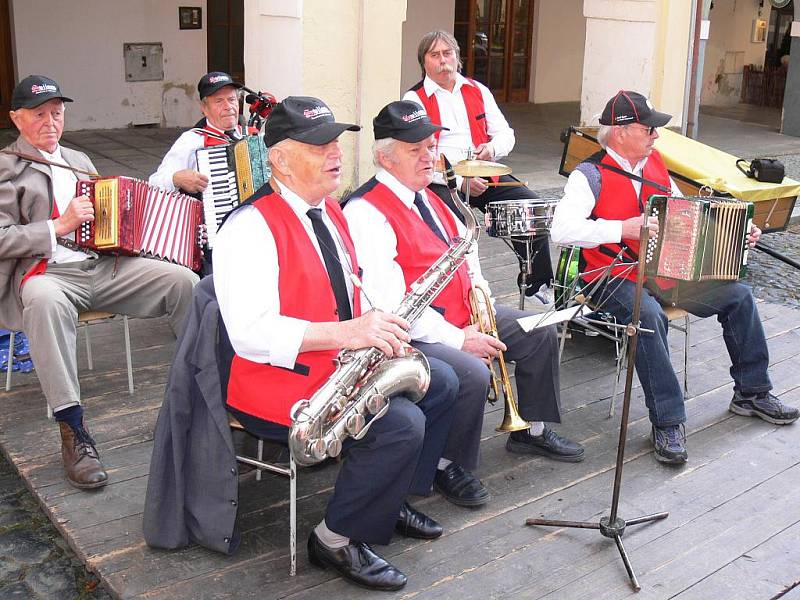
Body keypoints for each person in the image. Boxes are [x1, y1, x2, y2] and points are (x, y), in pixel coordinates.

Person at [213, 96, 460, 591]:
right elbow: (249, 334)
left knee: (444, 382)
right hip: (275, 381)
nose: (335, 154)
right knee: (400, 425)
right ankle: (334, 538)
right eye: (319, 145)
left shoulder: (328, 208)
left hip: (334, 361)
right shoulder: (248, 227)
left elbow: (348, 289)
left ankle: (383, 503)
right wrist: (349, 333)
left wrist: (377, 320)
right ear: (279, 158)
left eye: (335, 143)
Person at [344, 101, 585, 508]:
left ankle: (531, 431)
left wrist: (486, 308)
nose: (429, 155)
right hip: (417, 333)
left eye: (431, 144)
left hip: (465, 314)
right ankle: (444, 464)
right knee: (471, 372)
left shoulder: (435, 197)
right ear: (384, 157)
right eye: (415, 148)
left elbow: (469, 260)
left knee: (540, 329)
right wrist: (460, 339)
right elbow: (393, 307)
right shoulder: (365, 211)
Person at [550, 90, 799, 465]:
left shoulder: (656, 164)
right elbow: (561, 230)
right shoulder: (589, 175)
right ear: (620, 132)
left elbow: (688, 214)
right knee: (648, 317)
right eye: (648, 129)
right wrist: (621, 229)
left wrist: (736, 234)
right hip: (609, 275)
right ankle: (667, 420)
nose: (656, 136)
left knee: (739, 295)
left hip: (664, 270)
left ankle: (751, 391)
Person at [0, 75, 198, 490]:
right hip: (48, 273)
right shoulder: (5, 166)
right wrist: (58, 225)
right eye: (39, 115)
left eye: (57, 113)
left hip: (103, 267)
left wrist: (129, 230)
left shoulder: (78, 159)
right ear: (17, 119)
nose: (50, 122)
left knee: (184, 281)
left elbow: (106, 220)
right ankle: (72, 429)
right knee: (43, 299)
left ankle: (206, 390)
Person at [402, 29, 554, 305]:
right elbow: (416, 157)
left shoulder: (477, 90)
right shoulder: (413, 100)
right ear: (423, 62)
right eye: (434, 55)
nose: (442, 60)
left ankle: (536, 285)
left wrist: (492, 149)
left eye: (447, 53)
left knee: (531, 209)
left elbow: (506, 134)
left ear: (457, 56)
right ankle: (459, 296)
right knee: (455, 232)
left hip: (484, 173)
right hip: (441, 181)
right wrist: (460, 182)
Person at [149, 71, 250, 196]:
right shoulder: (191, 141)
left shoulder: (253, 136)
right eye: (219, 101)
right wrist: (176, 179)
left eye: (231, 99)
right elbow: (154, 183)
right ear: (204, 108)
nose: (228, 106)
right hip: (216, 214)